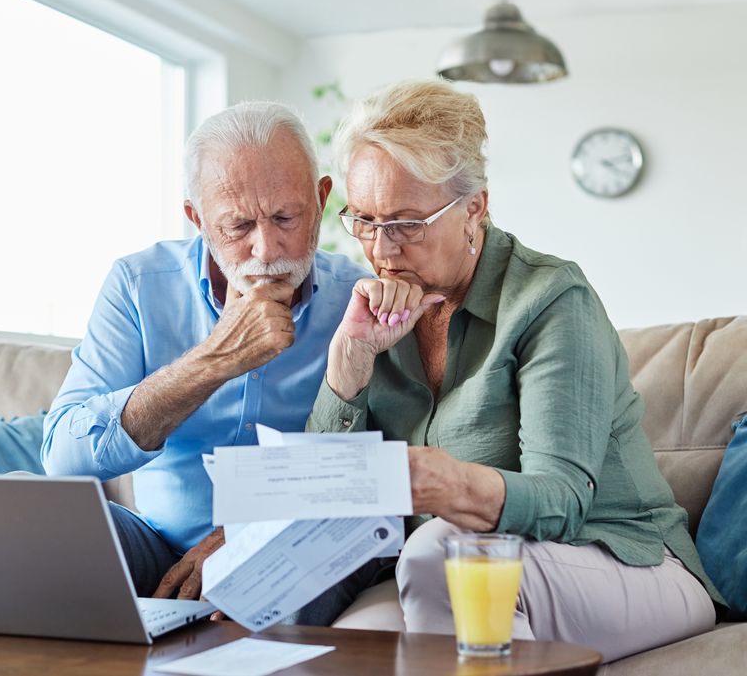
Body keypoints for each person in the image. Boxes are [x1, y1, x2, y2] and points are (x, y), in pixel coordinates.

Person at [306, 79, 724, 662]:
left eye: (405, 224)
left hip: (625, 562)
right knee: (337, 650)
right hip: (447, 570)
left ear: (474, 206)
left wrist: (449, 484)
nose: (382, 250)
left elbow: (562, 500)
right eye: (366, 221)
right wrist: (348, 363)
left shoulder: (550, 298)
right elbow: (317, 500)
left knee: (441, 558)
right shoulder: (378, 313)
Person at [42, 101, 378, 625]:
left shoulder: (359, 304)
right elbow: (63, 457)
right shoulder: (137, 285)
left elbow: (375, 470)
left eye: (286, 217)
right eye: (238, 225)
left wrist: (247, 535)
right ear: (197, 219)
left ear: (321, 200)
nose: (267, 249)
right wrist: (213, 361)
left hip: (290, 543)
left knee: (278, 574)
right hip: (158, 543)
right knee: (33, 523)